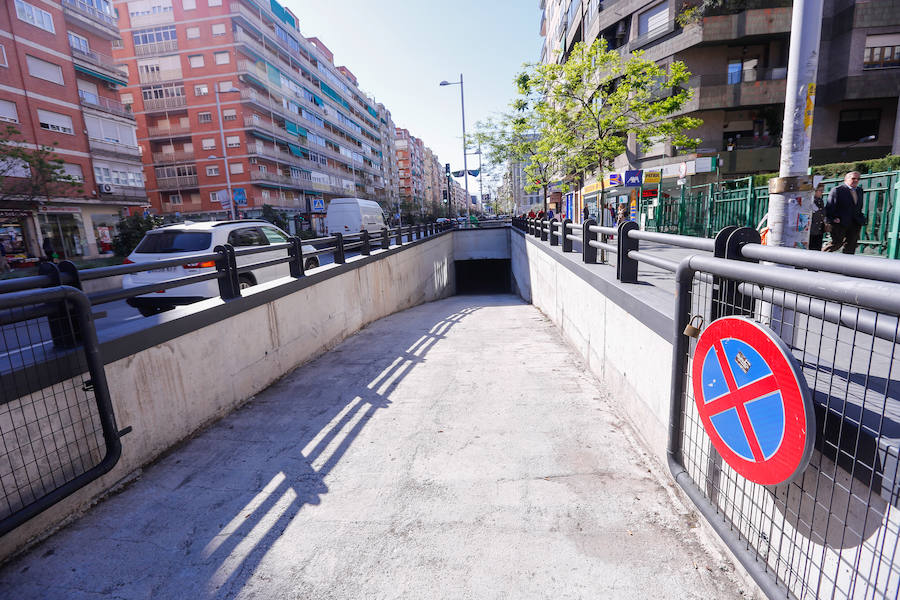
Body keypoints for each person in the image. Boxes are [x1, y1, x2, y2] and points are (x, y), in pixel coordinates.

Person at [824, 171, 866, 254]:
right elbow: (830, 207)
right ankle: (820, 258)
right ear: (846, 179)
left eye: (858, 179)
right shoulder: (837, 190)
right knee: (836, 243)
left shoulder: (859, 190)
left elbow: (858, 206)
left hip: (855, 222)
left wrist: (861, 218)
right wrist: (832, 219)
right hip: (840, 223)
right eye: (853, 178)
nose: (856, 181)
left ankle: (847, 264)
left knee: (851, 245)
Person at [809, 183, 826, 251]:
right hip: (811, 230)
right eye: (821, 190)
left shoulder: (820, 200)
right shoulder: (810, 200)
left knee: (817, 249)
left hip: (819, 229)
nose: (822, 192)